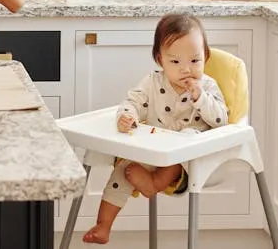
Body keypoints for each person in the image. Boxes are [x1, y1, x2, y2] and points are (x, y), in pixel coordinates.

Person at [83, 13, 230, 245]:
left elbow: (221, 120)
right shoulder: (152, 83)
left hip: (185, 162)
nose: (186, 70)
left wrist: (201, 98)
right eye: (175, 62)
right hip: (152, 150)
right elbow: (132, 101)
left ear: (206, 57)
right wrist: (127, 116)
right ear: (160, 59)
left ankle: (155, 184)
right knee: (122, 171)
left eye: (194, 61)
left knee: (186, 138)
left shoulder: (208, 86)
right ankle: (103, 225)